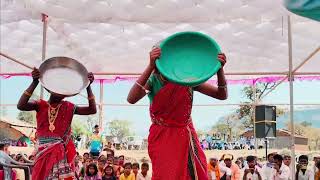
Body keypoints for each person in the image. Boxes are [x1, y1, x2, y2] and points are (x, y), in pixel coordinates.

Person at [127, 45, 227, 180]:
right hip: (162, 138)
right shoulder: (152, 80)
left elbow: (221, 95)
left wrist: (219, 69)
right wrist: (150, 66)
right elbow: (131, 98)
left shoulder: (188, 80)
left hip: (185, 136)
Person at [17, 68, 97, 179]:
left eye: (64, 90)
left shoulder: (69, 106)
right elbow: (21, 105)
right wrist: (34, 82)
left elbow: (92, 110)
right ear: (49, 89)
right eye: (58, 88)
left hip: (60, 153)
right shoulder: (40, 104)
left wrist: (88, 86)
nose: (61, 92)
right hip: (42, 151)